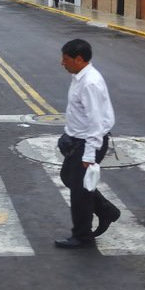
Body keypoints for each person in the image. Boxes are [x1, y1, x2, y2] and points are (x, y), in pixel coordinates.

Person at [54, 38, 121, 249]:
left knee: (79, 192)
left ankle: (82, 236)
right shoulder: (79, 76)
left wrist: (89, 155)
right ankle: (105, 210)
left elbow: (96, 122)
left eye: (66, 59)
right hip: (76, 140)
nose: (62, 63)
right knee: (68, 177)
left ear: (79, 59)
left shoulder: (90, 82)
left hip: (87, 143)